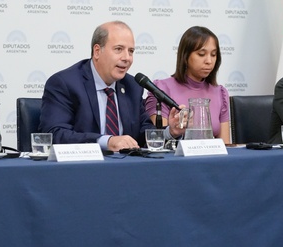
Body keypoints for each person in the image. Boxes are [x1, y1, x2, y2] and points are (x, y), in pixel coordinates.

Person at [40, 21, 185, 151]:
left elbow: (143, 135)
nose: (127, 58)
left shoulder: (132, 86)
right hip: (82, 168)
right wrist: (106, 141)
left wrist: (170, 132)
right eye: (118, 49)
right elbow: (54, 134)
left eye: (131, 51)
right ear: (97, 51)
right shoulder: (65, 83)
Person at [144, 26, 231, 143]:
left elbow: (225, 146)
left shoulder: (220, 92)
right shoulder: (161, 89)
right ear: (185, 56)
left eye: (213, 54)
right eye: (201, 54)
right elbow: (158, 140)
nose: (209, 61)